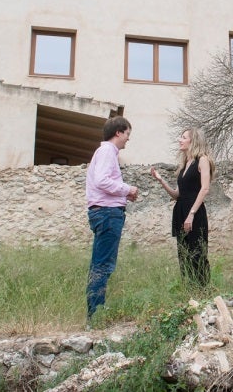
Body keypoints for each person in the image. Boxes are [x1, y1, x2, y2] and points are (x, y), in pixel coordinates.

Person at [85, 116, 138, 323]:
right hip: (107, 214)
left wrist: (124, 194)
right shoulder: (107, 151)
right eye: (127, 134)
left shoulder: (104, 152)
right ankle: (95, 316)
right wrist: (128, 189)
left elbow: (103, 183)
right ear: (118, 132)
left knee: (100, 264)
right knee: (103, 265)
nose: (127, 139)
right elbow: (102, 180)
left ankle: (95, 313)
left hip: (104, 212)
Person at [150, 127, 214, 287]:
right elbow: (177, 194)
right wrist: (161, 180)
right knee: (184, 254)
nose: (180, 140)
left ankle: (203, 292)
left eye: (183, 137)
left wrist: (191, 214)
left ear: (193, 141)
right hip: (181, 211)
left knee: (197, 253)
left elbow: (205, 188)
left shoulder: (203, 160)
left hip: (195, 213)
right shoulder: (185, 163)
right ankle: (189, 291)